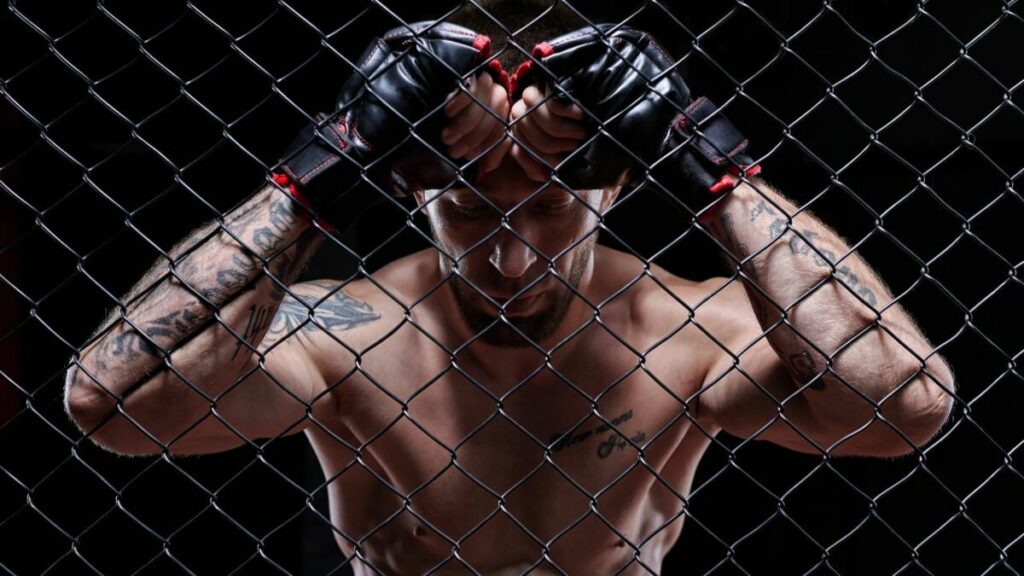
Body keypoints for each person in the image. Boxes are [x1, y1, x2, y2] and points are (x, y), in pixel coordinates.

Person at [62, 2, 956, 574]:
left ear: (614, 189)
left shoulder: (689, 325)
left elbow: (902, 409)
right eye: (471, 210)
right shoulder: (351, 328)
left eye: (553, 207)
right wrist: (318, 174)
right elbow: (114, 406)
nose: (512, 261)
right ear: (413, 190)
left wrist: (711, 170)